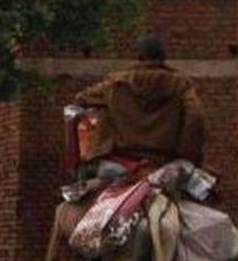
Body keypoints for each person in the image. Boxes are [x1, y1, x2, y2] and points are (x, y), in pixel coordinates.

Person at [75, 34, 205, 178]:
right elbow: (196, 116)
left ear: (139, 56)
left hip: (122, 162)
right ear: (163, 57)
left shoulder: (116, 84)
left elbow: (82, 99)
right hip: (163, 162)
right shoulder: (181, 85)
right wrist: (188, 154)